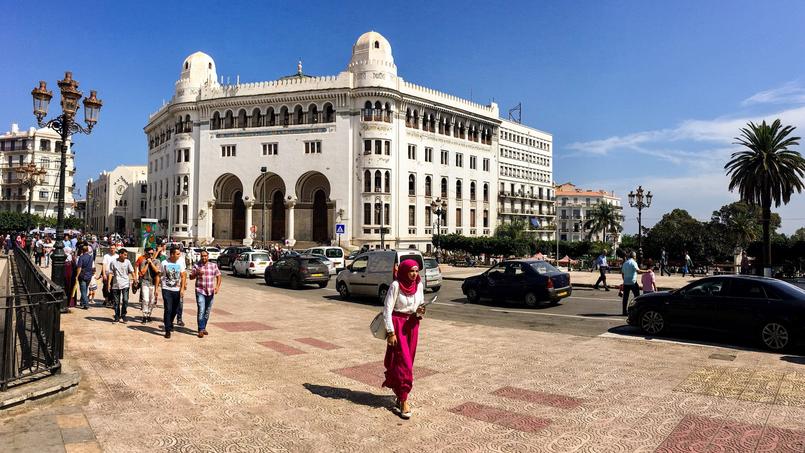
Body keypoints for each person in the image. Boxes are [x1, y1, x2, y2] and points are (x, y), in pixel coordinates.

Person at [382, 259, 427, 419]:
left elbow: (420, 305)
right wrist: (390, 332)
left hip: (413, 325)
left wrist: (421, 311)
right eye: (411, 271)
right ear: (404, 272)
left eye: (416, 271)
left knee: (407, 362)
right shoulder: (396, 285)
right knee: (404, 363)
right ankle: (404, 400)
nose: (414, 274)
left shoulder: (419, 285)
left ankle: (399, 394)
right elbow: (387, 310)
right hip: (398, 325)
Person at [189, 250, 222, 338]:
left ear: (208, 256)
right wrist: (197, 273)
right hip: (200, 291)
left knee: (207, 311)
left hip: (210, 291)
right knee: (201, 309)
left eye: (205, 256)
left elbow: (219, 276)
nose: (204, 257)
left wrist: (217, 287)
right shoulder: (196, 266)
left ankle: (203, 327)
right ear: (200, 257)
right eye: (202, 256)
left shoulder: (213, 265)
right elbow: (191, 277)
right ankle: (200, 329)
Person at [160, 246, 187, 339]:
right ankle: (167, 330)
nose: (179, 255)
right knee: (168, 308)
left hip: (177, 289)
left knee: (175, 309)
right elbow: (160, 274)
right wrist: (156, 288)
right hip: (166, 288)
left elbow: (183, 276)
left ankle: (170, 322)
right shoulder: (164, 263)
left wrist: (182, 289)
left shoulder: (180, 262)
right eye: (178, 254)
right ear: (172, 254)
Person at [107, 248, 135, 323]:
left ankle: (123, 315)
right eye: (125, 255)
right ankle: (117, 316)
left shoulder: (128, 262)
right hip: (116, 285)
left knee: (125, 300)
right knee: (116, 302)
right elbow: (110, 273)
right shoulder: (113, 262)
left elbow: (132, 271)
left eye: (126, 255)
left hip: (125, 284)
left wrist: (135, 279)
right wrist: (109, 284)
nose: (126, 256)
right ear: (120, 254)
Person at [137, 247, 161, 323]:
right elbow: (142, 272)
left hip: (153, 283)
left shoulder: (157, 261)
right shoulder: (143, 261)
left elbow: (157, 271)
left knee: (152, 301)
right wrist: (147, 263)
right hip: (145, 282)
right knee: (145, 300)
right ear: (146, 254)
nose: (151, 255)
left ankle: (149, 315)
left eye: (152, 253)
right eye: (149, 253)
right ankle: (144, 316)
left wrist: (151, 263)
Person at [621, 251, 646, 316]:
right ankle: (637, 310)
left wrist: (624, 280)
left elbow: (622, 273)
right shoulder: (633, 262)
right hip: (633, 282)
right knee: (637, 297)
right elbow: (638, 271)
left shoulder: (625, 263)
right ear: (634, 256)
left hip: (626, 282)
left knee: (625, 298)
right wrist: (646, 271)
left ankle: (624, 311)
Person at [75, 244, 95, 310]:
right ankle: (82, 302)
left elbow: (79, 267)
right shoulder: (91, 257)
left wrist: (77, 276)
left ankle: (86, 304)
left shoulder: (81, 257)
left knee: (83, 291)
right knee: (85, 289)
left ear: (82, 250)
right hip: (89, 275)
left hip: (83, 275)